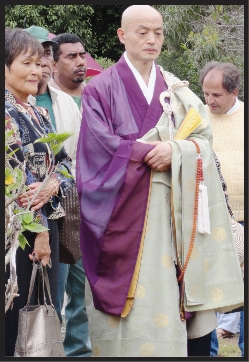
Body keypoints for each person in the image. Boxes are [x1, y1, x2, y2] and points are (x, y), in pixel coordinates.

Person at [76, 5, 244, 357]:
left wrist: (177, 151)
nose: (153, 39)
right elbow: (98, 152)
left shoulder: (175, 89)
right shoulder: (99, 89)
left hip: (175, 215)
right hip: (126, 218)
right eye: (142, 32)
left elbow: (202, 139)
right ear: (122, 35)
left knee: (177, 303)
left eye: (159, 32)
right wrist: (152, 153)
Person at [5, 28, 75, 356]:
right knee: (15, 321)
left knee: (39, 320)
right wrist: (41, 232)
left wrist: (54, 183)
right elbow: (16, 185)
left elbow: (65, 166)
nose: (37, 70)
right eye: (26, 63)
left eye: (39, 62)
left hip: (47, 228)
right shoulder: (6, 115)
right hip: (18, 236)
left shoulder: (39, 113)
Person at [24, 25, 92, 357]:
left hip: (64, 211)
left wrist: (57, 184)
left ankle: (72, 352)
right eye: (34, 54)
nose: (42, 62)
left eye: (47, 53)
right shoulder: (15, 105)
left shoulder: (61, 104)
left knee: (62, 290)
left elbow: (73, 158)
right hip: (20, 217)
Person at [199, 60, 244, 357]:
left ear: (234, 92)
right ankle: (209, 352)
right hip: (210, 219)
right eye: (206, 94)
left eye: (216, 95)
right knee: (207, 292)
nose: (210, 101)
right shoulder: (196, 118)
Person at [50, 33, 87, 112]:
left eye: (82, 56)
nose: (81, 62)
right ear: (54, 65)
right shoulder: (40, 99)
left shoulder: (98, 96)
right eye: (72, 57)